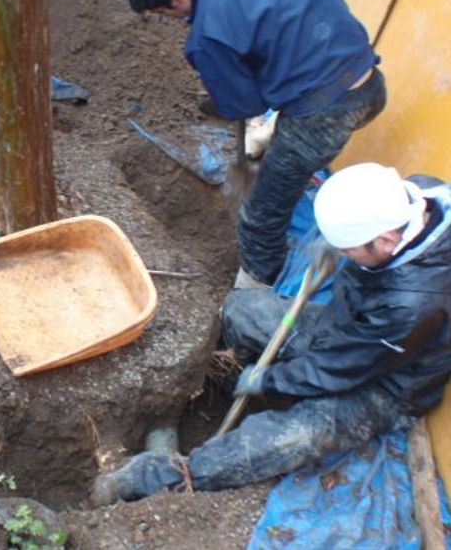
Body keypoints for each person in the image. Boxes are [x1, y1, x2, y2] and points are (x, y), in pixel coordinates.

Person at [91, 162, 451, 504]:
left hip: (384, 385)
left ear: (385, 240)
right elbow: (344, 344)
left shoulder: (411, 304)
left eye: (348, 250)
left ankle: (165, 475)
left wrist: (269, 381)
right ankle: (221, 376)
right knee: (241, 310)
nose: (343, 254)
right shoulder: (417, 193)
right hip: (347, 330)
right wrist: (337, 248)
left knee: (291, 438)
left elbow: (339, 369)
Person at [126, 0, 387, 288]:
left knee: (259, 218)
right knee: (284, 129)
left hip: (326, 114)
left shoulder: (207, 36)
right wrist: (293, 12)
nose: (168, 20)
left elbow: (246, 105)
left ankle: (252, 296)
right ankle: (273, 147)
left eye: (162, 14)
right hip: (370, 81)